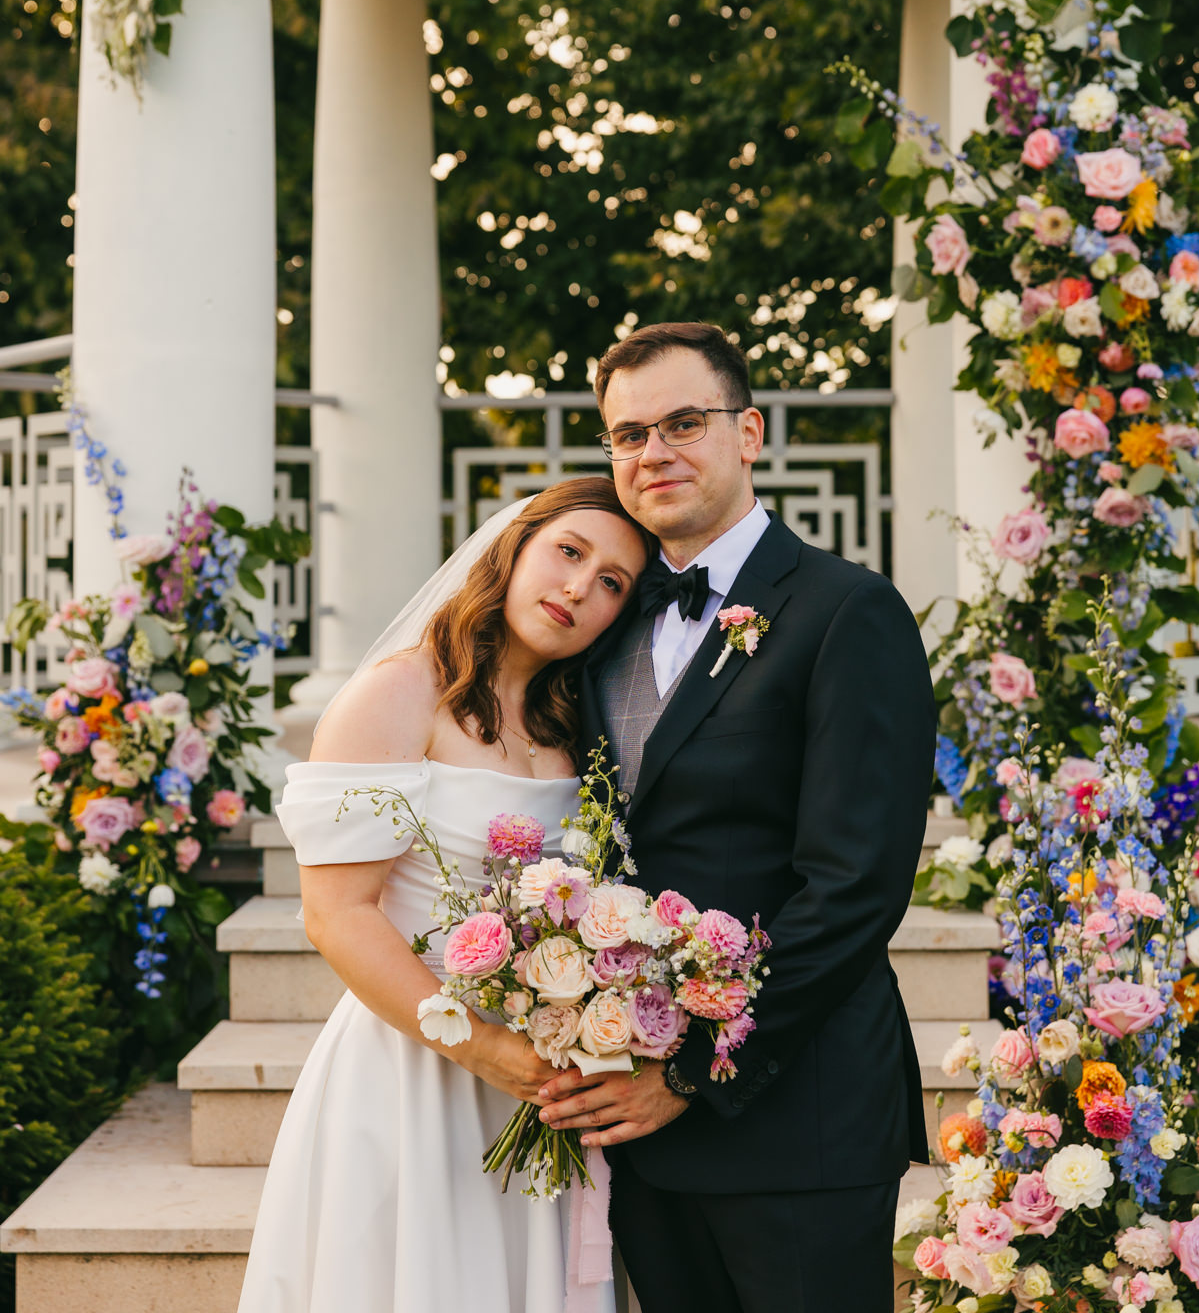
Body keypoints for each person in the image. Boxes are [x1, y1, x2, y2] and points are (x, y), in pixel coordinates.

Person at [537, 321, 936, 1313]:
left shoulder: (848, 611)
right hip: (640, 1132)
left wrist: (690, 1074)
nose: (654, 452)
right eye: (629, 435)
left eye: (683, 423)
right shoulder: (601, 622)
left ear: (748, 433)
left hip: (798, 1116)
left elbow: (854, 888)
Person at [237, 476, 653, 1313]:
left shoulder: (574, 721)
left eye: (612, 582)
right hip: (413, 1065)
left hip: (540, 1078)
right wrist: (482, 1049)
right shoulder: (400, 692)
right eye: (568, 552)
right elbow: (336, 916)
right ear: (513, 550)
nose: (580, 587)